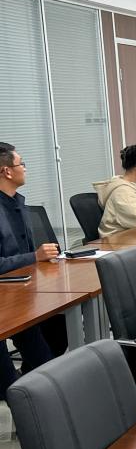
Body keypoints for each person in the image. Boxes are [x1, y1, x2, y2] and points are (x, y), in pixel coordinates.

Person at [0, 142, 61, 399]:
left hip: (23, 289)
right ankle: (24, 394)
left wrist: (40, 259)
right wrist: (34, 256)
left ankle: (32, 384)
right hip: (6, 299)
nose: (25, 168)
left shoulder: (17, 203)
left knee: (58, 323)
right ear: (7, 171)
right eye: (21, 163)